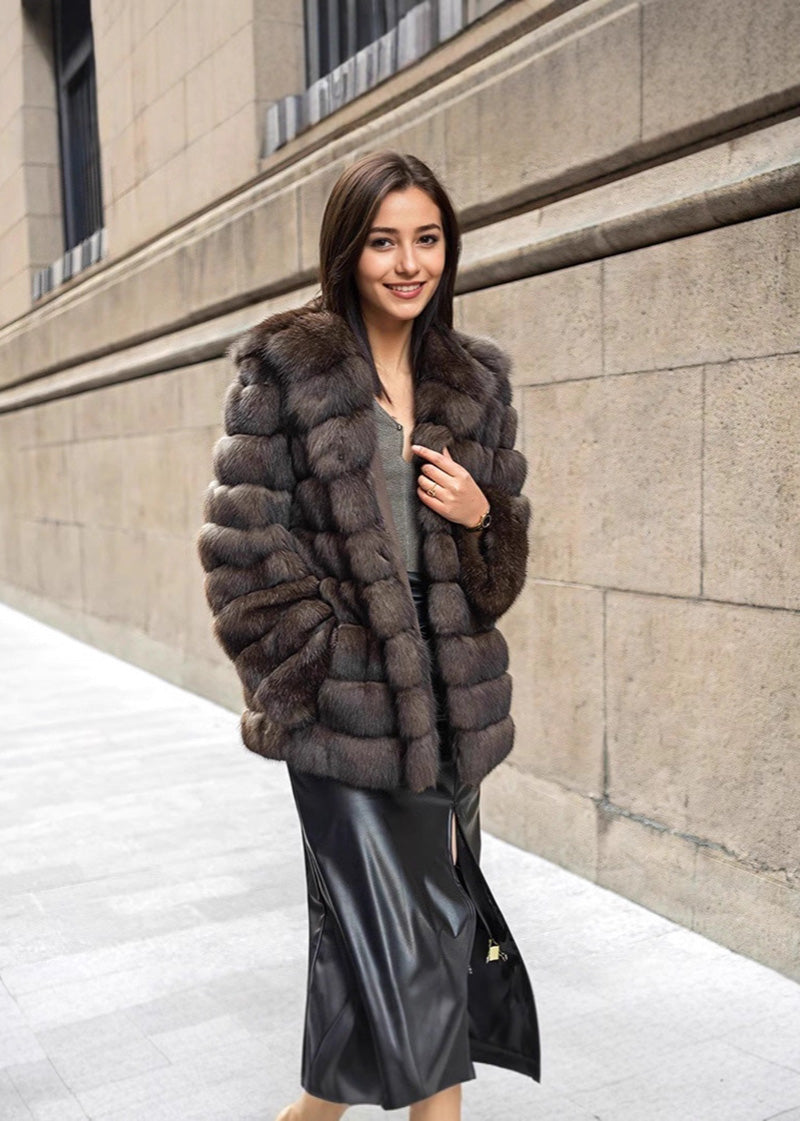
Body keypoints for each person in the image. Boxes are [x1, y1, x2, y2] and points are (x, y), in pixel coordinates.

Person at [197, 150, 540, 1121]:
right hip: (348, 735)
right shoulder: (287, 367)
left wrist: (483, 517)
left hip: (452, 741)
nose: (406, 261)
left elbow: (498, 579)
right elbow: (241, 551)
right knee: (428, 975)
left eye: (425, 238)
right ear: (348, 250)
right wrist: (322, 670)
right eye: (383, 240)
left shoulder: (474, 384)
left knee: (361, 998)